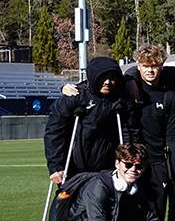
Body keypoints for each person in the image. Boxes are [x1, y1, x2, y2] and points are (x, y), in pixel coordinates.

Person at [123, 46, 175, 221]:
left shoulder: (168, 95)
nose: (150, 70)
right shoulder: (129, 89)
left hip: (157, 164)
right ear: (138, 66)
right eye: (146, 66)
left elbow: (171, 135)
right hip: (131, 164)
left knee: (155, 218)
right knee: (126, 218)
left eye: (155, 66)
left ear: (161, 66)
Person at [45, 56, 137, 184]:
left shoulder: (121, 100)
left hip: (108, 165)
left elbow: (130, 131)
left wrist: (129, 158)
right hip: (74, 165)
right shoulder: (74, 96)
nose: (108, 82)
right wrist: (56, 166)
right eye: (103, 77)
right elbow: (55, 132)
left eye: (112, 78)